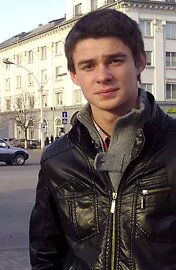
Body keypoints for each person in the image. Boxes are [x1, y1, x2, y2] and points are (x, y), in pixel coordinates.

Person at [29, 9, 176, 269]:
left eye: (115, 60)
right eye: (88, 66)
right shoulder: (58, 160)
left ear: (140, 61)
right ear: (75, 75)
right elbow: (45, 252)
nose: (103, 76)